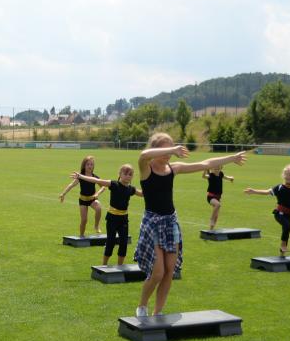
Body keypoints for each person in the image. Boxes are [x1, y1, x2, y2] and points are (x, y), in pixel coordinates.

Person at [134, 133, 246, 317]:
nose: (169, 155)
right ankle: (142, 306)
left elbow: (205, 164)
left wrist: (232, 158)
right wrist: (172, 149)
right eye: (165, 150)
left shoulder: (173, 168)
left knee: (170, 271)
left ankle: (158, 312)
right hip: (153, 223)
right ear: (157, 149)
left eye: (171, 150)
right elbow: (144, 154)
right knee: (158, 273)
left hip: (170, 223)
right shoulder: (146, 168)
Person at [71, 164, 142, 266]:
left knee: (123, 243)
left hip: (124, 219)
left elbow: (143, 194)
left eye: (130, 174)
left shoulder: (131, 189)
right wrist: (81, 176)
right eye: (125, 174)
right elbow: (97, 181)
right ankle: (104, 266)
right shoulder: (113, 184)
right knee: (111, 242)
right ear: (120, 174)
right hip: (112, 218)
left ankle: (120, 267)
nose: (128, 176)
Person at [244, 164, 290, 257]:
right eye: (286, 174)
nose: (288, 177)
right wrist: (253, 191)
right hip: (279, 213)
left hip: (288, 215)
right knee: (288, 226)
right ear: (283, 175)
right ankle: (283, 245)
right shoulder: (279, 187)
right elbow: (266, 192)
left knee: (286, 231)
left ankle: (282, 254)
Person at [59, 156, 106, 238]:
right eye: (88, 164)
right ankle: (81, 236)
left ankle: (96, 226)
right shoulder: (80, 176)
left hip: (92, 199)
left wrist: (97, 194)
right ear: (84, 165)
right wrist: (63, 194)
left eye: (91, 164)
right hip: (83, 200)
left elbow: (103, 187)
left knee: (98, 208)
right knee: (84, 220)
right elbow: (71, 185)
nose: (89, 166)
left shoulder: (95, 177)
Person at [202, 166, 234, 230]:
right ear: (212, 169)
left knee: (216, 216)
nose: (217, 170)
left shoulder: (221, 174)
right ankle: (211, 218)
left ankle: (211, 230)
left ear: (221, 168)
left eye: (218, 169)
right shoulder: (211, 175)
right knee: (218, 205)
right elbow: (204, 176)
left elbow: (225, 177)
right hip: (211, 197)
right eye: (215, 169)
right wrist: (205, 170)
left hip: (218, 197)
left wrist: (230, 178)